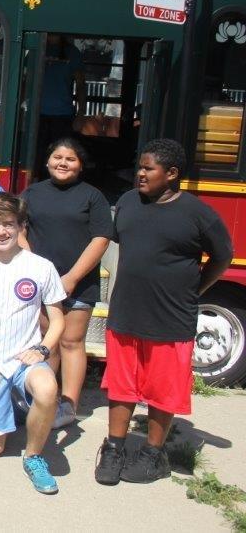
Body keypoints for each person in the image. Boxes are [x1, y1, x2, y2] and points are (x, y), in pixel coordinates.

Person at [95, 139, 232, 486]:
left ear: (171, 174)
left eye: (148, 168)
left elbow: (222, 257)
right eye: (139, 167)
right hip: (126, 313)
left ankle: (153, 455)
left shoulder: (197, 213)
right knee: (121, 387)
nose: (140, 173)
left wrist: (194, 291)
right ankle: (114, 448)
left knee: (162, 390)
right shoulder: (127, 203)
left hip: (172, 320)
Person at [0, 193, 66, 494]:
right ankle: (16, 409)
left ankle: (34, 456)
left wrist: (42, 350)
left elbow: (57, 320)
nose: (1, 231)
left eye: (8, 224)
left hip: (23, 360)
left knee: (47, 389)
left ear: (21, 226)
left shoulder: (41, 267)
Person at [21, 138, 112, 429]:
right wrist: (37, 270)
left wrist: (72, 278)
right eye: (57, 157)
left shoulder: (92, 196)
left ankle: (69, 404)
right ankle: (44, 399)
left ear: (80, 165)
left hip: (79, 281)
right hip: (40, 282)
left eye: (70, 159)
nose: (63, 163)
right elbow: (17, 229)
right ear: (47, 161)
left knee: (71, 341)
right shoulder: (32, 193)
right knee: (48, 342)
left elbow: (101, 238)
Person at [36, 34, 85, 177]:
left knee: (61, 154)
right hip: (37, 114)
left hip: (63, 115)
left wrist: (81, 114)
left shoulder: (72, 52)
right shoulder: (38, 48)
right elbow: (25, 78)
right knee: (37, 157)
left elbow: (81, 84)